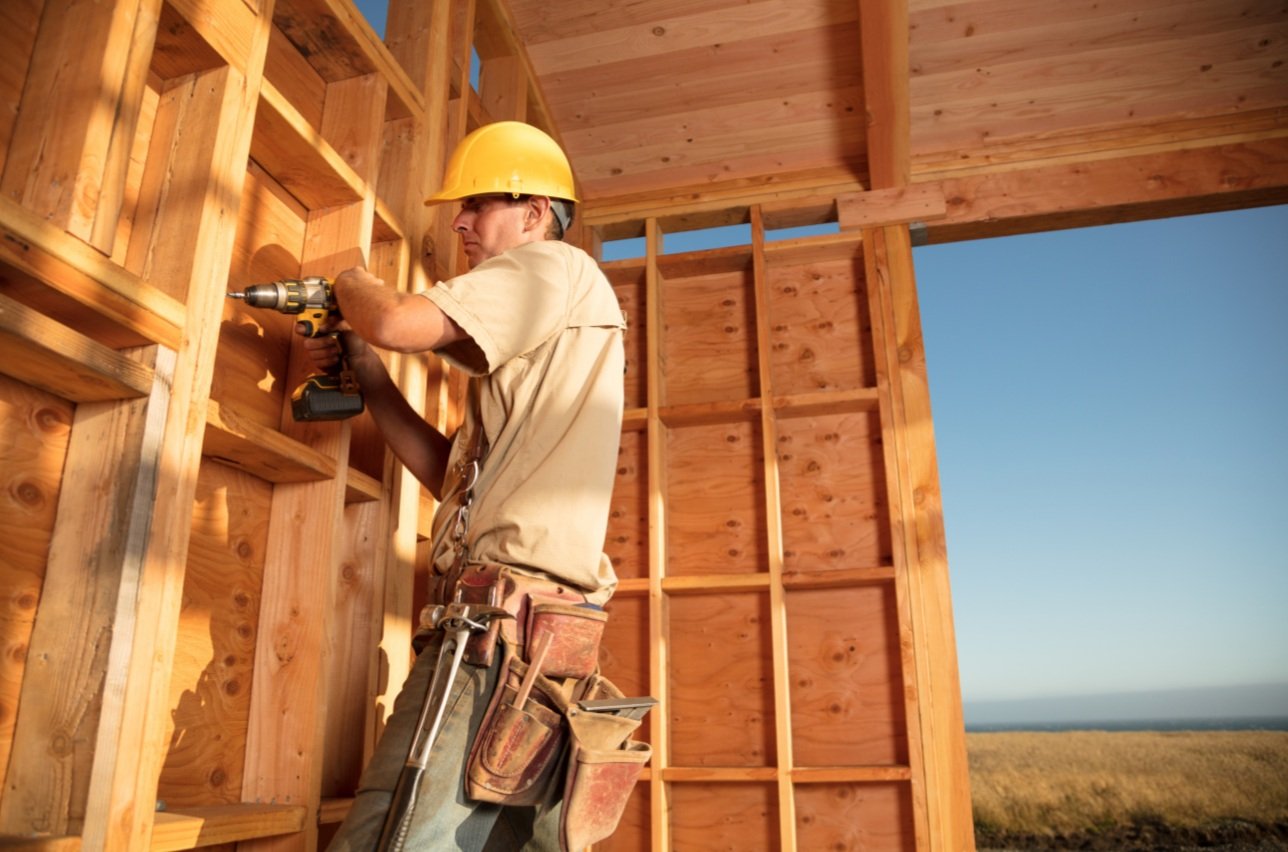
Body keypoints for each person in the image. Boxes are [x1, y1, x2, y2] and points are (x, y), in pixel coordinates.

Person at [310, 121, 627, 851]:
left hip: (498, 635)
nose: (459, 222)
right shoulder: (552, 335)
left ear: (535, 212)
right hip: (531, 636)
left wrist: (344, 281)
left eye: (478, 203)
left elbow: (394, 317)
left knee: (385, 841)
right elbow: (445, 473)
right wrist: (365, 370)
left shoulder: (551, 267)